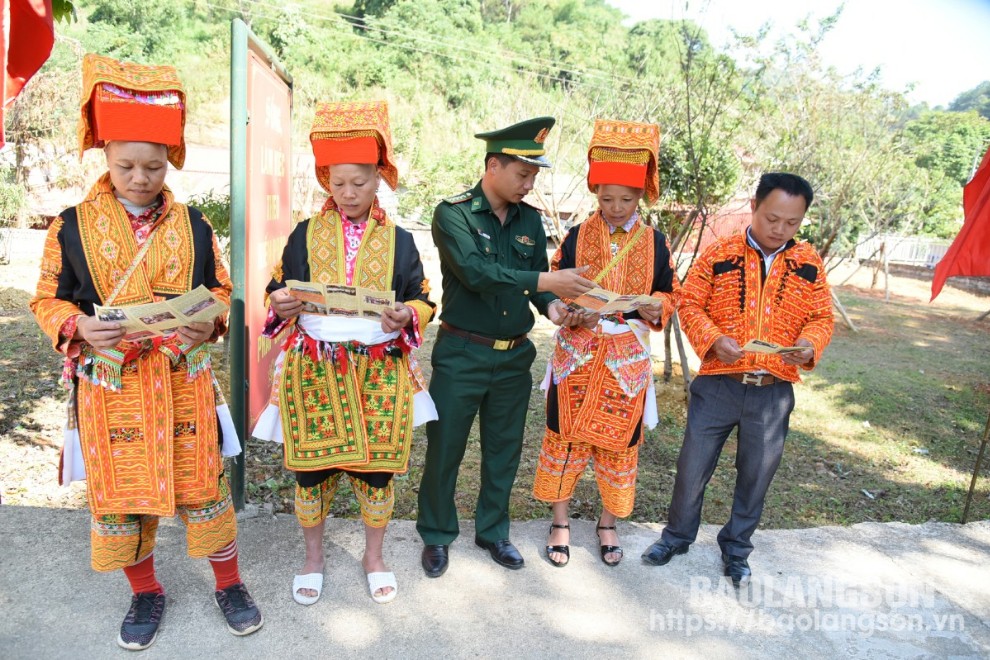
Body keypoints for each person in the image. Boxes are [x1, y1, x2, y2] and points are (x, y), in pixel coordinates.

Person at [29, 53, 261, 651]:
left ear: (169, 162)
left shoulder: (196, 226)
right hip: (113, 389)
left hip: (182, 380)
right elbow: (45, 300)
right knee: (125, 498)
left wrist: (203, 324)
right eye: (127, 164)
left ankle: (229, 583)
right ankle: (146, 591)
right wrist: (79, 327)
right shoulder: (71, 226)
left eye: (154, 166)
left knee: (202, 487)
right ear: (105, 157)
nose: (140, 177)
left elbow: (220, 291)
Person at [251, 101, 436, 605]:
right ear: (325, 182)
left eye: (359, 181)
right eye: (337, 183)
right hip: (314, 366)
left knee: (376, 469)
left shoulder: (399, 241)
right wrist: (281, 300)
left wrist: (409, 315)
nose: (349, 193)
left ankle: (374, 556)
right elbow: (276, 287)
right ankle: (313, 558)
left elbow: (422, 295)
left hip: (378, 369)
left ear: (379, 177)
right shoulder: (304, 234)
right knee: (313, 468)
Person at [416, 116, 596, 577]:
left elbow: (537, 287)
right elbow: (476, 273)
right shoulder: (452, 213)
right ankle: (437, 534)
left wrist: (556, 309)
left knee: (504, 448)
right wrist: (547, 278)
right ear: (493, 166)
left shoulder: (530, 220)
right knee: (446, 449)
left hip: (514, 355)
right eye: (523, 174)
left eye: (534, 175)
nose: (529, 184)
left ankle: (494, 531)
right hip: (462, 353)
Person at [641, 172, 834, 586]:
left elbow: (821, 316)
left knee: (756, 474)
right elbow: (690, 304)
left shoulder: (809, 263)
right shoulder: (719, 253)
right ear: (754, 206)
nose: (779, 229)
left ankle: (737, 549)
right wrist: (713, 339)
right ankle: (676, 537)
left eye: (792, 223)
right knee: (692, 466)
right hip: (718, 384)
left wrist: (808, 343)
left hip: (772, 391)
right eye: (772, 218)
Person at [532, 120, 679, 567]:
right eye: (607, 198)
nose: (616, 207)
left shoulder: (655, 242)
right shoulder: (577, 235)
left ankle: (607, 524)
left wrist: (657, 306)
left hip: (626, 360)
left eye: (627, 199)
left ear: (642, 196)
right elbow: (557, 284)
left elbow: (669, 290)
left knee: (620, 444)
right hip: (577, 353)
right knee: (564, 437)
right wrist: (566, 308)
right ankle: (560, 523)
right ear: (595, 192)